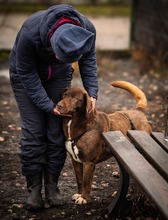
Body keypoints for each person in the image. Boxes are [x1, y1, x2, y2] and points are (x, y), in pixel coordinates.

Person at [9, 4, 98, 210]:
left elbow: (89, 60)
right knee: (34, 131)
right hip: (25, 77)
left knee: (56, 131)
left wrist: (92, 91)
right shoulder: (30, 33)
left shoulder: (87, 31)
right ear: (51, 42)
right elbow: (28, 74)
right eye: (58, 55)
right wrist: (48, 106)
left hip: (57, 78)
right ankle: (33, 190)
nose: (59, 59)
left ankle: (52, 186)